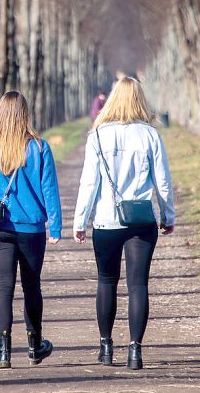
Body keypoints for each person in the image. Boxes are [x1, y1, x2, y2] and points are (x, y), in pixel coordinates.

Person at [73, 77, 175, 370]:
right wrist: (168, 216)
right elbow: (163, 182)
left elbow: (89, 182)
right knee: (138, 284)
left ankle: (106, 347)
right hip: (141, 220)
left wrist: (80, 220)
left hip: (106, 221)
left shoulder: (98, 135)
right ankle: (135, 350)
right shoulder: (150, 135)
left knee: (106, 281)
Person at [0, 91, 62, 369]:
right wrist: (56, 225)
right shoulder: (38, 148)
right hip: (31, 228)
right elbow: (49, 190)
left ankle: (3, 351)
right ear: (25, 113)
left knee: (3, 287)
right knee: (31, 286)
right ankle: (35, 346)